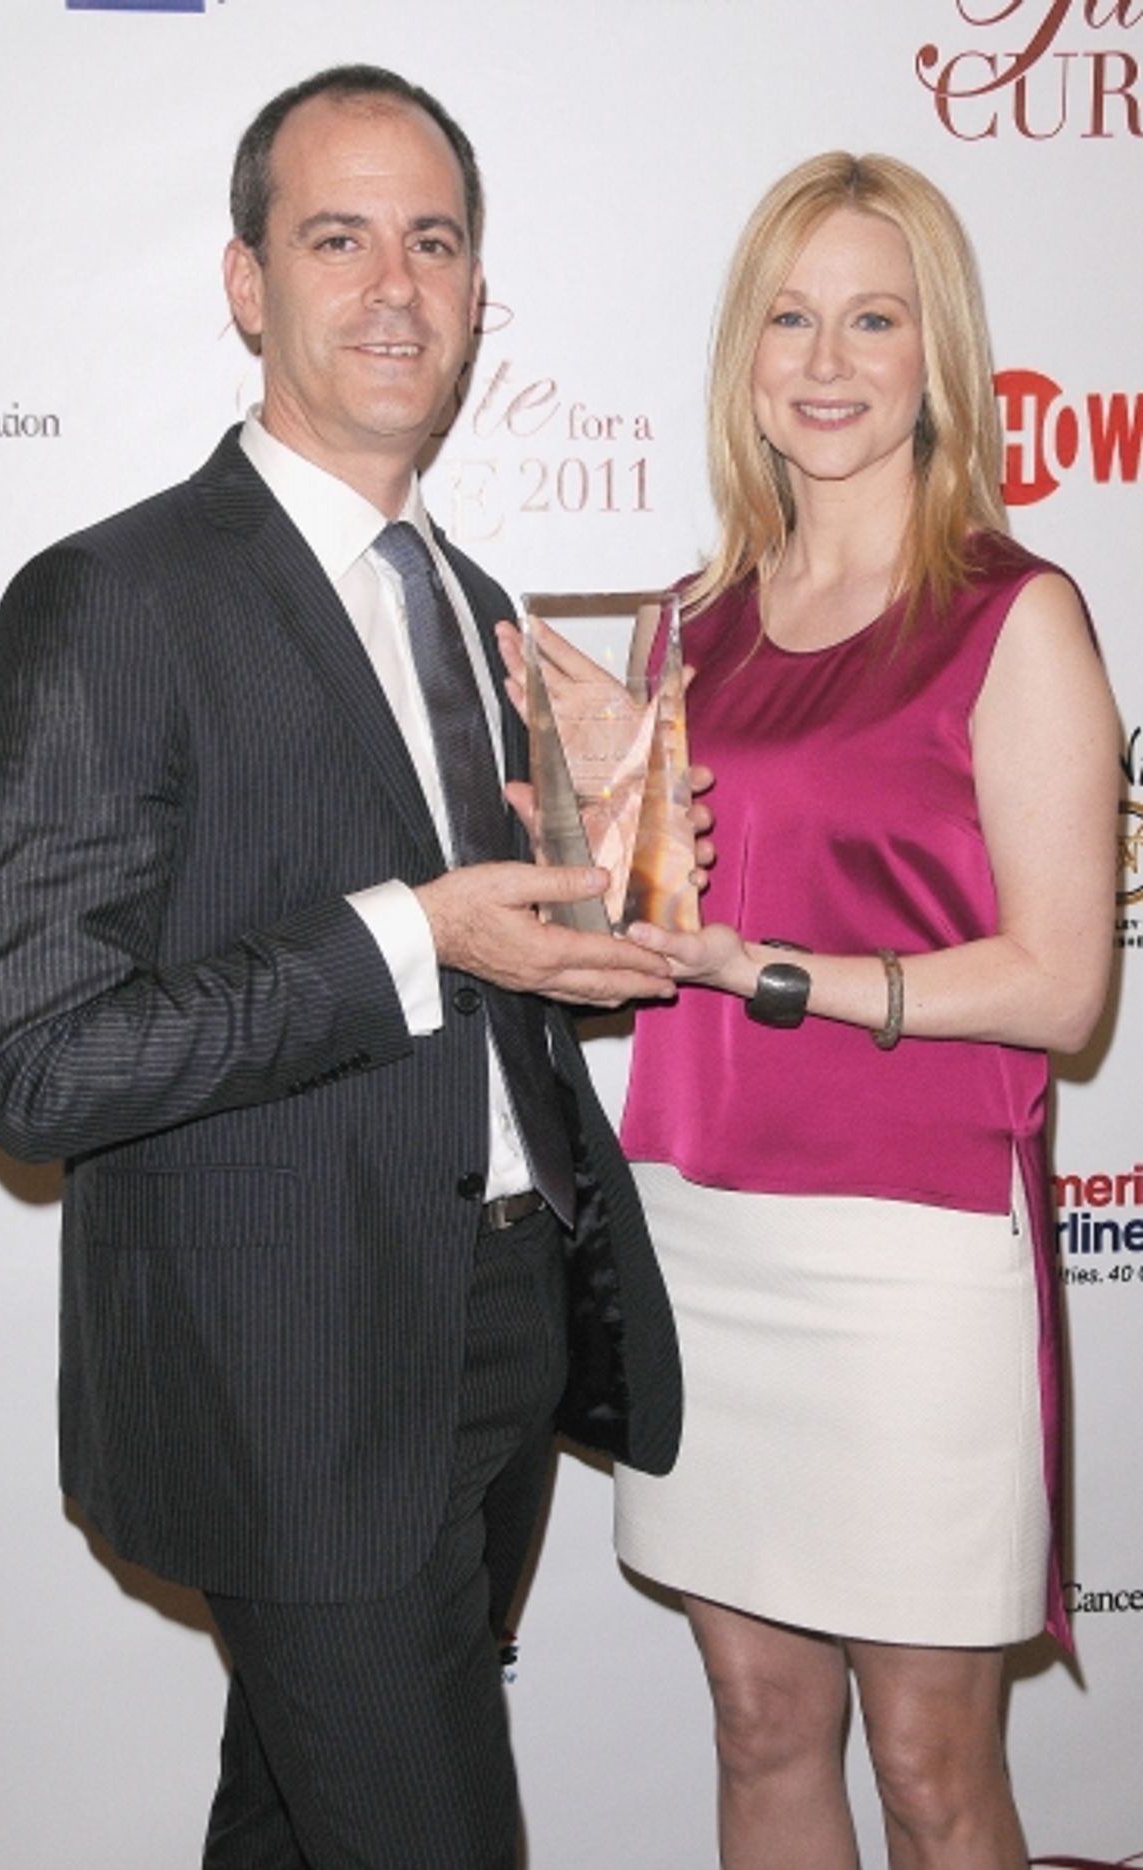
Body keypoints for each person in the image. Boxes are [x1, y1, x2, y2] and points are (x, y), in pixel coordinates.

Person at [0, 65, 684, 1870]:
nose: (394, 287)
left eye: (433, 241)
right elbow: (39, 1061)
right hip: (292, 1374)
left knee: (289, 1827)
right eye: (337, 237)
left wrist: (595, 911)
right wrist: (411, 932)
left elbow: (496, 971)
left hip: (503, 1327)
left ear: (479, 289)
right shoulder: (108, 596)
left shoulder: (481, 603)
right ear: (245, 279)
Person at [612, 153, 1119, 1868]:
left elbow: (1063, 983)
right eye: (790, 318)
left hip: (913, 1255)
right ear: (744, 356)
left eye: (874, 319)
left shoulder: (1011, 615)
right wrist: (579, 883)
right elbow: (654, 936)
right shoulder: (681, 632)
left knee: (928, 1761)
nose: (826, 362)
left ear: (937, 356)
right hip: (699, 1228)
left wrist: (780, 972)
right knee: (759, 1719)